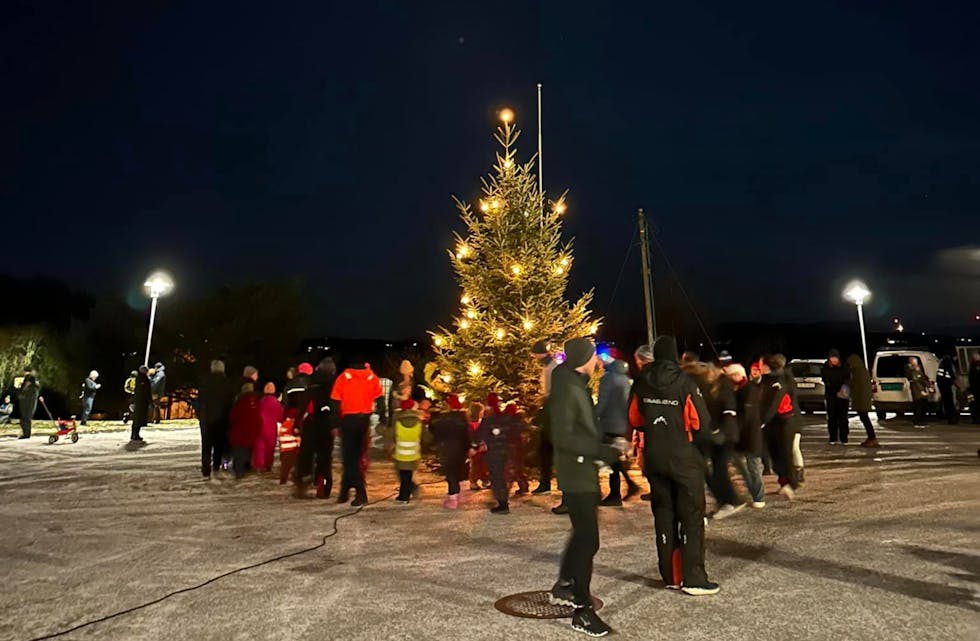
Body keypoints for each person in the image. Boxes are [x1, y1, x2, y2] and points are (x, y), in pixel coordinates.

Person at [628, 335, 718, 596]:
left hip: (655, 458)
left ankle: (670, 575)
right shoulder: (684, 382)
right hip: (684, 459)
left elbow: (634, 417)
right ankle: (694, 578)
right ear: (676, 355)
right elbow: (700, 422)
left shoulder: (641, 380)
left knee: (664, 515)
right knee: (691, 517)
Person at [548, 337, 625, 636]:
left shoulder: (574, 381)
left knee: (582, 534)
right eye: (595, 357)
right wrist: (603, 452)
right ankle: (582, 611)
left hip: (581, 470)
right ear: (584, 359)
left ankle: (566, 584)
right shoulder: (568, 388)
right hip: (576, 471)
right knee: (589, 539)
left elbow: (580, 427)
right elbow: (565, 436)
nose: (597, 363)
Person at [331, 358, 383, 507]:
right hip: (364, 421)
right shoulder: (372, 378)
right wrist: (384, 418)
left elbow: (334, 402)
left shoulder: (343, 378)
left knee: (350, 458)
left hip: (348, 420)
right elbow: (380, 399)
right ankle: (344, 490)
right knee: (355, 457)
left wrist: (334, 423)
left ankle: (360, 493)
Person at [596, 348, 640, 506]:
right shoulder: (624, 377)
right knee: (614, 457)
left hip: (609, 422)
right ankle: (629, 485)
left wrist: (594, 416)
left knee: (611, 457)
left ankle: (616, 493)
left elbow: (603, 402)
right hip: (622, 422)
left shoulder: (608, 378)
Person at [700, 363, 743, 519]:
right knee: (717, 469)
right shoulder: (714, 387)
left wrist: (721, 430)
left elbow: (729, 409)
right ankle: (725, 500)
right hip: (717, 436)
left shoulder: (725, 386)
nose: (707, 376)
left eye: (709, 373)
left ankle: (730, 501)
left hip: (725, 436)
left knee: (719, 470)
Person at [294, 359, 339, 499]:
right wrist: (335, 425)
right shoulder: (334, 385)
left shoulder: (312, 384)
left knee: (306, 454)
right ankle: (323, 487)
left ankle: (303, 480)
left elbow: (303, 404)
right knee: (324, 458)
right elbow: (335, 407)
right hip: (326, 424)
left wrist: (297, 423)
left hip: (311, 423)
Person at [760, 355, 800, 498]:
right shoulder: (766, 381)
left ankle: (792, 483)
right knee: (775, 456)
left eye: (761, 364)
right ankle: (784, 482)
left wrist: (762, 421)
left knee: (784, 454)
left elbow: (772, 405)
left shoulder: (779, 381)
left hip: (784, 422)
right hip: (773, 424)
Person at [728, 363, 765, 508]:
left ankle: (758, 497)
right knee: (741, 466)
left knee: (753, 467)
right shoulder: (737, 390)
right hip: (742, 436)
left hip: (750, 435)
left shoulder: (749, 390)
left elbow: (747, 415)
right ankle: (750, 494)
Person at [429, 393, 470, 509]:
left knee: (451, 472)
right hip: (460, 448)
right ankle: (454, 494)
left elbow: (435, 431)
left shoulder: (443, 419)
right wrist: (469, 447)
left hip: (447, 447)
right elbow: (467, 434)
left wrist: (436, 442)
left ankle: (453, 497)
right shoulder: (463, 418)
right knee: (456, 470)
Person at [474, 393, 513, 514]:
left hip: (493, 451)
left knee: (496, 476)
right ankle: (503, 499)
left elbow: (478, 435)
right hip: (506, 450)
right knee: (502, 475)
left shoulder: (488, 419)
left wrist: (475, 445)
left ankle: (502, 503)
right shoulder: (506, 418)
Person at [198, 360, 235, 478]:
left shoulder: (205, 381)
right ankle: (216, 466)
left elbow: (200, 400)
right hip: (220, 417)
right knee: (218, 443)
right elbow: (230, 401)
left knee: (206, 444)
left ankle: (205, 468)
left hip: (206, 417)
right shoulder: (226, 383)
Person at [531, 339, 559, 496]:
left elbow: (549, 392)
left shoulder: (551, 368)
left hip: (551, 413)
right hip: (550, 411)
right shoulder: (550, 366)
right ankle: (545, 482)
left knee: (546, 448)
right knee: (545, 449)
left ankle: (546, 482)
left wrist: (543, 401)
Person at [386, 398, 425, 504]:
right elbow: (425, 437)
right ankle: (407, 493)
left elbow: (391, 435)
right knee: (408, 475)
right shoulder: (419, 421)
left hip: (400, 454)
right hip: (414, 454)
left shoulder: (397, 421)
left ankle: (404, 496)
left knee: (403, 475)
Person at [633, 345, 655, 501]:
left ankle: (656, 490)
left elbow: (635, 406)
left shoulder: (642, 378)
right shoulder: (667, 375)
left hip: (646, 425)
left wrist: (636, 425)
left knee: (647, 459)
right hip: (664, 425)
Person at [229, 382, 262, 478]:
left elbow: (233, 417)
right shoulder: (256, 402)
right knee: (248, 459)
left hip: (239, 436)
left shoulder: (240, 402)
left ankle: (239, 476)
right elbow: (259, 419)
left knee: (239, 461)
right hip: (252, 436)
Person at [846, 354, 878, 447]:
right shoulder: (862, 371)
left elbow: (856, 385)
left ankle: (872, 438)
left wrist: (847, 382)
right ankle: (871, 437)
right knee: (865, 418)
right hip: (863, 398)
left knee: (865, 418)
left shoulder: (858, 372)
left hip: (861, 399)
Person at [821, 349, 851, 444]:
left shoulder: (844, 367)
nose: (834, 360)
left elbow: (847, 380)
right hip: (831, 395)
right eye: (832, 358)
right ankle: (833, 437)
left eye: (835, 358)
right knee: (832, 418)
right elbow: (825, 379)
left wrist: (842, 391)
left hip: (842, 396)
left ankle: (844, 437)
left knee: (843, 418)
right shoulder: (825, 368)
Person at [254, 382, 283, 473]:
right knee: (270, 448)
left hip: (260, 427)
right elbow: (280, 417)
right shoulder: (276, 403)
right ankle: (268, 465)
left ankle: (259, 465)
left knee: (260, 447)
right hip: (271, 429)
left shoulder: (261, 401)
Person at [504, 402, 531, 496]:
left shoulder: (507, 420)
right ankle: (524, 487)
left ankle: (506, 488)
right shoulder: (521, 421)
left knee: (510, 468)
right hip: (520, 447)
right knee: (519, 466)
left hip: (511, 446)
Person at [466, 401, 489, 490]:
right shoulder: (471, 424)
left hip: (482, 446)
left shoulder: (481, 422)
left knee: (483, 464)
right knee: (476, 465)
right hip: (475, 447)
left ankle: (485, 480)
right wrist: (474, 446)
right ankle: (473, 482)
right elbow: (471, 436)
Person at [906, 357, 930, 429]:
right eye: (915, 362)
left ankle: (922, 420)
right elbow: (916, 380)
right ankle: (917, 421)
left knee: (923, 404)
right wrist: (921, 390)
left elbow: (923, 378)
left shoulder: (918, 368)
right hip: (917, 390)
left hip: (921, 388)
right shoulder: (911, 370)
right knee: (918, 405)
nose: (916, 363)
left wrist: (928, 385)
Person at [16, 371, 41, 439]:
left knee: (27, 419)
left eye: (28, 381)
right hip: (23, 405)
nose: (27, 383)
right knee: (23, 419)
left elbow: (32, 396)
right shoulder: (24, 387)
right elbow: (19, 393)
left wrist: (23, 396)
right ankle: (25, 433)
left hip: (30, 405)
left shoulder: (34, 388)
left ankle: (27, 434)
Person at [936, 354, 958, 425]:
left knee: (946, 401)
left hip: (942, 383)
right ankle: (951, 418)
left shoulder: (942, 361)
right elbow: (950, 371)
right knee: (949, 402)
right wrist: (955, 380)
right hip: (945, 384)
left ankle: (949, 417)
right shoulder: (948, 360)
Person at [131, 366, 151, 441]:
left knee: (137, 419)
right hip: (141, 402)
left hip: (139, 401)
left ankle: (134, 434)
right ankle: (135, 434)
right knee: (138, 419)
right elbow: (146, 391)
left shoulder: (139, 378)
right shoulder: (143, 379)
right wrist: (150, 400)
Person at [970, 352, 980, 425]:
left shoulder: (973, 366)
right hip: (975, 389)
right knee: (974, 404)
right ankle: (976, 419)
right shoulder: (974, 366)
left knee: (974, 404)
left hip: (975, 389)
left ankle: (976, 419)